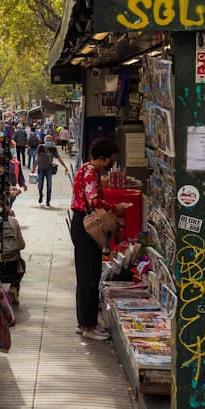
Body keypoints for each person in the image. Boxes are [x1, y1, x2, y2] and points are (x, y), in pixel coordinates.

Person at [69, 138, 129, 341]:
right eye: (110, 159)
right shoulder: (91, 172)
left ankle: (84, 321)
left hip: (81, 222)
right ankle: (88, 324)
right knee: (89, 276)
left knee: (87, 274)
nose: (111, 163)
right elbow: (93, 200)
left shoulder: (85, 168)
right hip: (86, 224)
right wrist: (115, 208)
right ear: (103, 157)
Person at [31, 134, 71, 207]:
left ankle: (48, 201)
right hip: (41, 168)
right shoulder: (40, 147)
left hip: (49, 168)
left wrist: (65, 167)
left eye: (50, 140)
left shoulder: (53, 149)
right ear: (45, 140)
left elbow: (58, 158)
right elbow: (38, 158)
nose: (48, 142)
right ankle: (40, 194)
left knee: (49, 185)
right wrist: (34, 167)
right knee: (40, 184)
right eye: (47, 140)